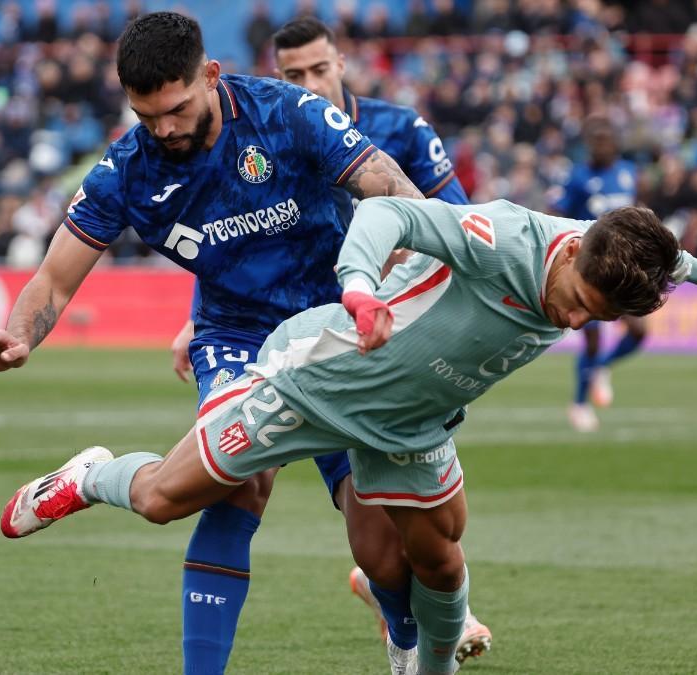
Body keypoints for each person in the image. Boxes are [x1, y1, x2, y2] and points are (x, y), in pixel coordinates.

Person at [0, 197, 697, 675]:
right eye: (579, 300)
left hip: (410, 422)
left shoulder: (610, 252)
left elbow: (660, 253)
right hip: (315, 380)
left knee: (428, 559)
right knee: (164, 498)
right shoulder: (508, 237)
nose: (575, 320)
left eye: (598, 318)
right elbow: (390, 214)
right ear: (571, 253)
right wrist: (362, 288)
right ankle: (89, 474)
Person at [0, 12, 426, 675]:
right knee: (236, 482)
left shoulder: (287, 114)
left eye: (176, 109)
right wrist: (21, 334)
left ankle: (406, 641)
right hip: (238, 337)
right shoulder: (127, 170)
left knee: (379, 539)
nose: (166, 129)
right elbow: (54, 279)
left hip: (335, 325)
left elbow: (394, 192)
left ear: (210, 74)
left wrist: (397, 279)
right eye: (149, 117)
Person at [166, 16, 489, 669]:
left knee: (388, 541)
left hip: (369, 343)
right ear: (276, 76)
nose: (309, 83)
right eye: (293, 76)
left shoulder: (398, 131)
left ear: (342, 63)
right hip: (272, 333)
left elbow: (457, 225)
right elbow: (231, 229)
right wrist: (201, 317)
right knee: (237, 479)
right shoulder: (265, 126)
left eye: (320, 69)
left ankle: (401, 609)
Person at [553, 117, 641, 432]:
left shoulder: (629, 172)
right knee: (591, 339)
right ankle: (579, 404)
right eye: (596, 140)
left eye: (606, 139)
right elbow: (558, 214)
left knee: (639, 331)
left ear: (615, 142)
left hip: (625, 265)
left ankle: (601, 368)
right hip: (589, 267)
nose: (601, 145)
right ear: (588, 143)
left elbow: (637, 212)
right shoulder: (577, 177)